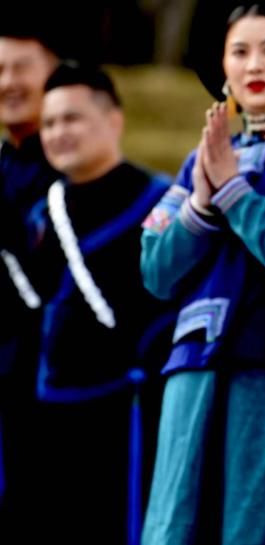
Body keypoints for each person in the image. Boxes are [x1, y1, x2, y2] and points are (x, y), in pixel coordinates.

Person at [139, 2, 265, 544]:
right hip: (193, 367)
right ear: (224, 67)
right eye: (240, 51)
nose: (254, 64)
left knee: (255, 528)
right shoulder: (202, 158)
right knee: (174, 526)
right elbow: (155, 271)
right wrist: (200, 207)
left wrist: (232, 192)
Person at [19, 62, 173, 543]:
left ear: (113, 120)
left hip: (128, 411)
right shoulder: (42, 213)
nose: (58, 133)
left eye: (71, 119)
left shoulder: (161, 203)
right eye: (49, 123)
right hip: (48, 412)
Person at [0, 12, 61, 534]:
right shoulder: (5, 163)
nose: (8, 83)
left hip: (51, 390)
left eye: (22, 68)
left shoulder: (78, 169)